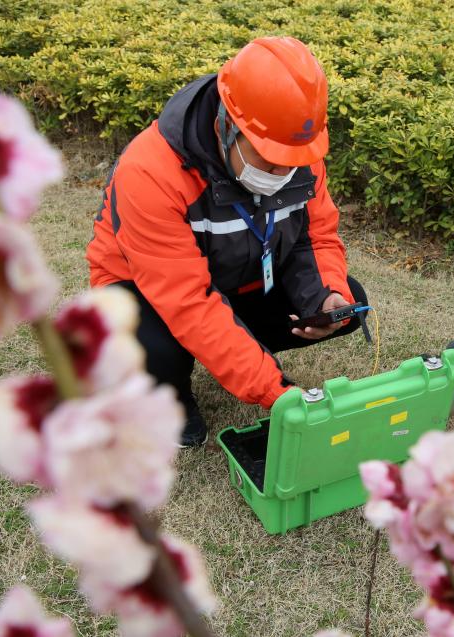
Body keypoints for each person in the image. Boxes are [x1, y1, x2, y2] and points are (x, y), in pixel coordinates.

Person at [86, 36, 368, 447]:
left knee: (348, 302)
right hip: (143, 291)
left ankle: (230, 351)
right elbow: (186, 299)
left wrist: (324, 297)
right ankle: (164, 394)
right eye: (268, 158)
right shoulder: (149, 173)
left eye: (292, 160)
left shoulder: (295, 150)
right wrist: (273, 388)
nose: (282, 173)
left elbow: (315, 237)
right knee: (154, 347)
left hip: (234, 277)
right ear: (226, 125)